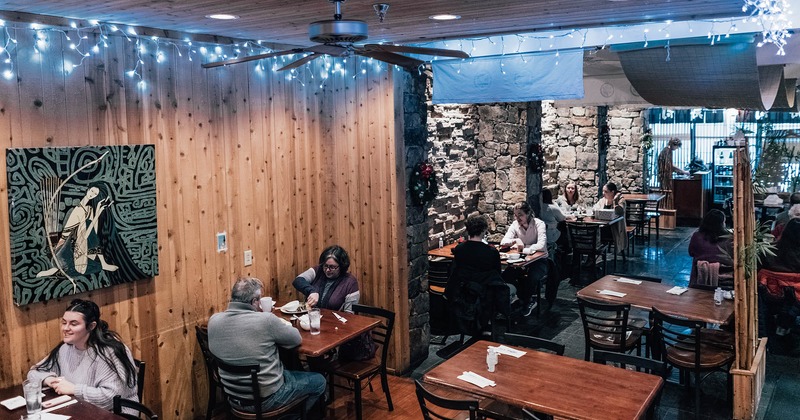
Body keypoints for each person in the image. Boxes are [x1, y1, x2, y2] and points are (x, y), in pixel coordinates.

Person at [208, 277, 326, 416]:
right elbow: (296, 339)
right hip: (267, 400)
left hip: (232, 398)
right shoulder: (266, 320)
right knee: (319, 381)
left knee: (286, 367)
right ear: (254, 301)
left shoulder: (214, 321)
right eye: (259, 300)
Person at [27, 299, 138, 410]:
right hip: (80, 408)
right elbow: (34, 372)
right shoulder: (66, 347)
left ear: (91, 326)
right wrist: (49, 380)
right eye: (64, 322)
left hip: (115, 413)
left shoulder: (109, 352)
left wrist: (74, 389)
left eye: (73, 324)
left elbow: (111, 399)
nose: (65, 328)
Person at [447, 215, 516, 335]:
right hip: (486, 293)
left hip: (465, 292)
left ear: (468, 230)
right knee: (512, 288)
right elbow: (497, 275)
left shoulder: (459, 249)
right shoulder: (491, 252)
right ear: (484, 230)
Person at [37, 184, 119, 278]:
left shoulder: (89, 209)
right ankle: (102, 263)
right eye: (92, 191)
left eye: (95, 194)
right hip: (66, 246)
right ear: (88, 190)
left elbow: (93, 231)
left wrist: (97, 211)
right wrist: (98, 213)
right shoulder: (78, 209)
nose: (92, 194)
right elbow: (80, 234)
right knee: (88, 226)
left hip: (80, 244)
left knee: (95, 266)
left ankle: (56, 270)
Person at [500, 201, 548, 316]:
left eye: (520, 215)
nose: (517, 218)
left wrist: (524, 248)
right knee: (505, 276)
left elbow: (541, 245)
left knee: (532, 277)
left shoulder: (539, 224)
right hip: (521, 260)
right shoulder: (515, 225)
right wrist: (515, 240)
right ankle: (521, 297)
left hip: (539, 260)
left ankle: (527, 300)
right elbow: (503, 241)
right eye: (515, 215)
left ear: (528, 213)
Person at [293, 245, 359, 313]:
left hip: (335, 319)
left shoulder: (350, 282)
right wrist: (312, 291)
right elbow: (298, 280)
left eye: (332, 267)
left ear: (342, 266)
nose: (327, 270)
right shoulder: (318, 270)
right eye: (325, 266)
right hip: (312, 316)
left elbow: (349, 314)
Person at [688, 209, 734, 287]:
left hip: (699, 276)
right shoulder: (729, 239)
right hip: (726, 279)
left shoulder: (697, 236)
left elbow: (691, 252)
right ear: (722, 224)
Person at [593, 182, 628, 255]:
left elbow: (619, 212)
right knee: (592, 233)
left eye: (606, 192)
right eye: (603, 191)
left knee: (596, 234)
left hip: (615, 229)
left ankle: (595, 253)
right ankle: (593, 254)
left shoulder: (621, 200)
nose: (603, 193)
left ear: (612, 192)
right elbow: (595, 208)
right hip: (603, 227)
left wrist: (615, 201)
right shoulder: (603, 200)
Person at [657, 137, 689, 210]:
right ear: (674, 145)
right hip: (665, 177)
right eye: (677, 147)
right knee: (666, 193)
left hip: (663, 176)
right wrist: (683, 172)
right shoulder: (667, 151)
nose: (676, 149)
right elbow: (670, 166)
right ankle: (666, 211)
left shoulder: (665, 150)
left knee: (664, 193)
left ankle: (664, 209)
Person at [538, 189, 567, 256]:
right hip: (551, 234)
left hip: (542, 233)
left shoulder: (539, 207)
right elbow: (562, 218)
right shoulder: (552, 208)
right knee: (564, 228)